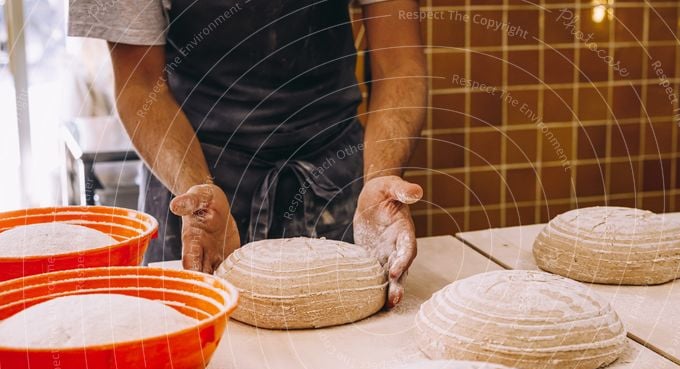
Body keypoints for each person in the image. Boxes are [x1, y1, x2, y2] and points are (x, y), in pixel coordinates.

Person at [68, 0, 426, 307]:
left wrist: (381, 175)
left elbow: (399, 66)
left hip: (332, 173)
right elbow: (140, 84)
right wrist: (196, 188)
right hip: (195, 174)